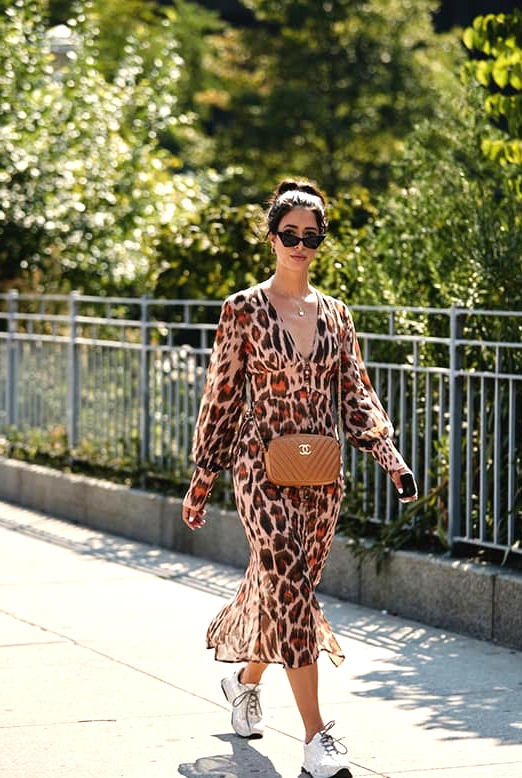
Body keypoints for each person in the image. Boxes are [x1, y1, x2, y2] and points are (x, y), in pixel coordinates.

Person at [181, 178, 418, 778]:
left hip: (321, 476)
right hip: (261, 471)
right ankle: (317, 739)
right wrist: (203, 476)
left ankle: (244, 680)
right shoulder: (242, 310)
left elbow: (356, 393)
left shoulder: (336, 315)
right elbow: (223, 396)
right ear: (271, 237)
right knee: (289, 585)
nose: (302, 245)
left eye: (313, 236)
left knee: (287, 593)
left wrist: (391, 458)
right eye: (291, 234)